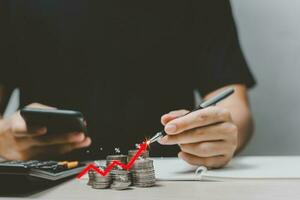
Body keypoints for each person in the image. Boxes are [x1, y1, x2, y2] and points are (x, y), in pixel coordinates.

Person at [0, 1, 255, 168]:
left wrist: (222, 132)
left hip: (174, 177)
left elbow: (234, 104)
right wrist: (3, 140)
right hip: (43, 178)